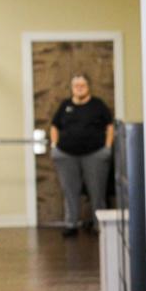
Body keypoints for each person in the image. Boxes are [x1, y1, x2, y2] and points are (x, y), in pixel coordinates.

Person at [50, 73, 114, 237]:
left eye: (82, 85)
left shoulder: (98, 105)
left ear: (88, 87)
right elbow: (54, 126)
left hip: (95, 154)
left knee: (97, 192)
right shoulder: (65, 105)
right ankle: (71, 224)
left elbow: (110, 126)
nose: (79, 88)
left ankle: (99, 225)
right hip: (66, 155)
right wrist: (54, 146)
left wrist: (107, 147)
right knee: (70, 191)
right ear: (72, 88)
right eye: (76, 86)